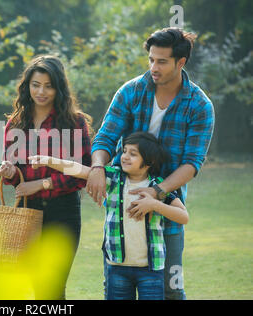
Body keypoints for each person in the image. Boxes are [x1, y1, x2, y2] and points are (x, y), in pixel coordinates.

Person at [87, 27, 215, 300]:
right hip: (124, 213)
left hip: (167, 213)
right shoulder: (130, 92)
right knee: (116, 289)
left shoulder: (199, 105)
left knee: (171, 290)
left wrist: (157, 193)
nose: (153, 67)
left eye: (162, 61)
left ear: (181, 63)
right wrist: (98, 167)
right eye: (151, 59)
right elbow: (105, 138)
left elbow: (192, 163)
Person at [29, 131, 189, 300]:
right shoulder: (112, 178)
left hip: (151, 270)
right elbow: (81, 170)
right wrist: (49, 160)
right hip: (116, 268)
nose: (125, 157)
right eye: (125, 151)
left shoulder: (157, 188)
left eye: (133, 154)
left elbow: (183, 216)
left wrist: (155, 204)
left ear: (149, 161)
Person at [0, 55, 93, 299]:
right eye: (35, 84)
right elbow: (17, 177)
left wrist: (41, 184)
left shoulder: (74, 122)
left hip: (64, 212)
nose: (41, 91)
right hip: (28, 211)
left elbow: (82, 173)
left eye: (48, 86)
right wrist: (9, 172)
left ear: (59, 88)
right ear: (27, 86)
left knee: (52, 287)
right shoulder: (15, 123)